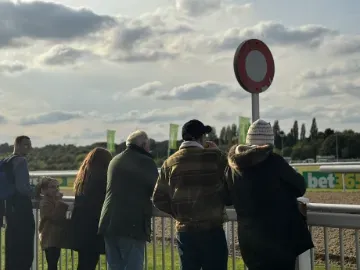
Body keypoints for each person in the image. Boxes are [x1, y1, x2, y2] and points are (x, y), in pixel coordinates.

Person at [225, 119, 314, 270]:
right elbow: (300, 187)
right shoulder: (274, 161)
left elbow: (228, 199)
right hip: (279, 241)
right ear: (269, 142)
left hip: (249, 241)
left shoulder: (232, 167)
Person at [152, 119, 230, 270]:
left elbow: (158, 198)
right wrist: (218, 151)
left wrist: (178, 212)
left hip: (185, 231)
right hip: (212, 230)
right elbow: (232, 176)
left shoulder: (169, 163)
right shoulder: (214, 157)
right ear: (201, 138)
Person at [98, 130, 158, 270]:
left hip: (109, 222)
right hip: (131, 224)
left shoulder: (115, 160)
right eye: (148, 145)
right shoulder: (145, 161)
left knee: (114, 266)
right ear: (143, 144)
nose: (149, 148)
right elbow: (157, 190)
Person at [70, 147, 112, 270]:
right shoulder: (103, 179)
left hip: (80, 225)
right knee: (89, 262)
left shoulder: (82, 178)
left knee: (85, 262)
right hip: (94, 226)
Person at [5, 135, 35, 270]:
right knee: (24, 247)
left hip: (9, 208)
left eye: (30, 145)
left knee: (12, 246)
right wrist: (37, 191)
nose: (29, 148)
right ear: (16, 145)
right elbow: (22, 188)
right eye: (25, 145)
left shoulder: (6, 161)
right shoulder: (21, 161)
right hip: (22, 209)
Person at [36, 177, 69, 270]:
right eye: (53, 187)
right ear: (43, 190)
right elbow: (53, 217)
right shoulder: (45, 202)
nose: (56, 189)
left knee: (54, 262)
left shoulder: (54, 200)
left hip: (56, 237)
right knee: (52, 263)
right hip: (48, 238)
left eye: (57, 186)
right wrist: (60, 202)